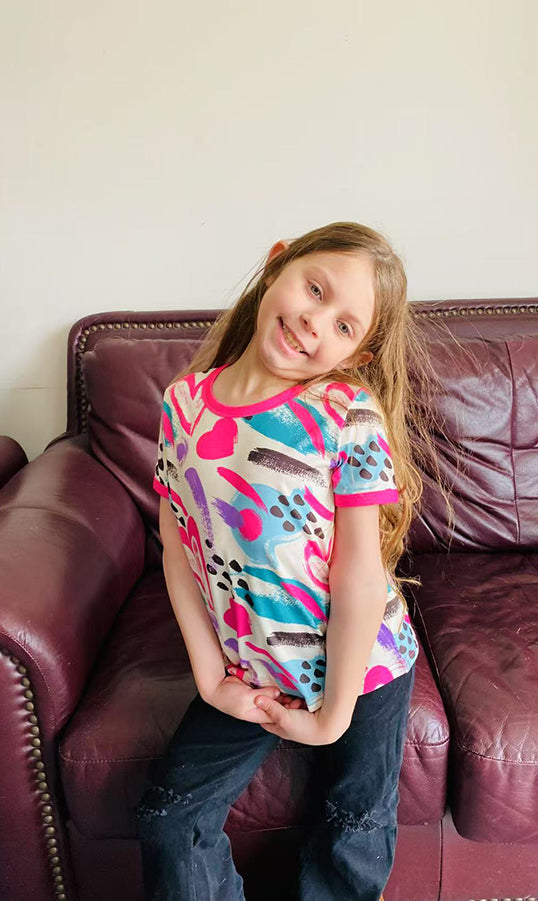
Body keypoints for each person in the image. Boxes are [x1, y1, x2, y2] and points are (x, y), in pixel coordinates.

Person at [136, 221, 452, 900]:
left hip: (362, 667)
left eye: (344, 326)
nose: (315, 323)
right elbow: (177, 545)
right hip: (250, 670)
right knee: (171, 819)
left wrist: (334, 713)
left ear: (359, 353)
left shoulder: (345, 414)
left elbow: (360, 576)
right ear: (278, 263)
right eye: (315, 289)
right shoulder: (183, 404)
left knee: (352, 828)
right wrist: (211, 677)